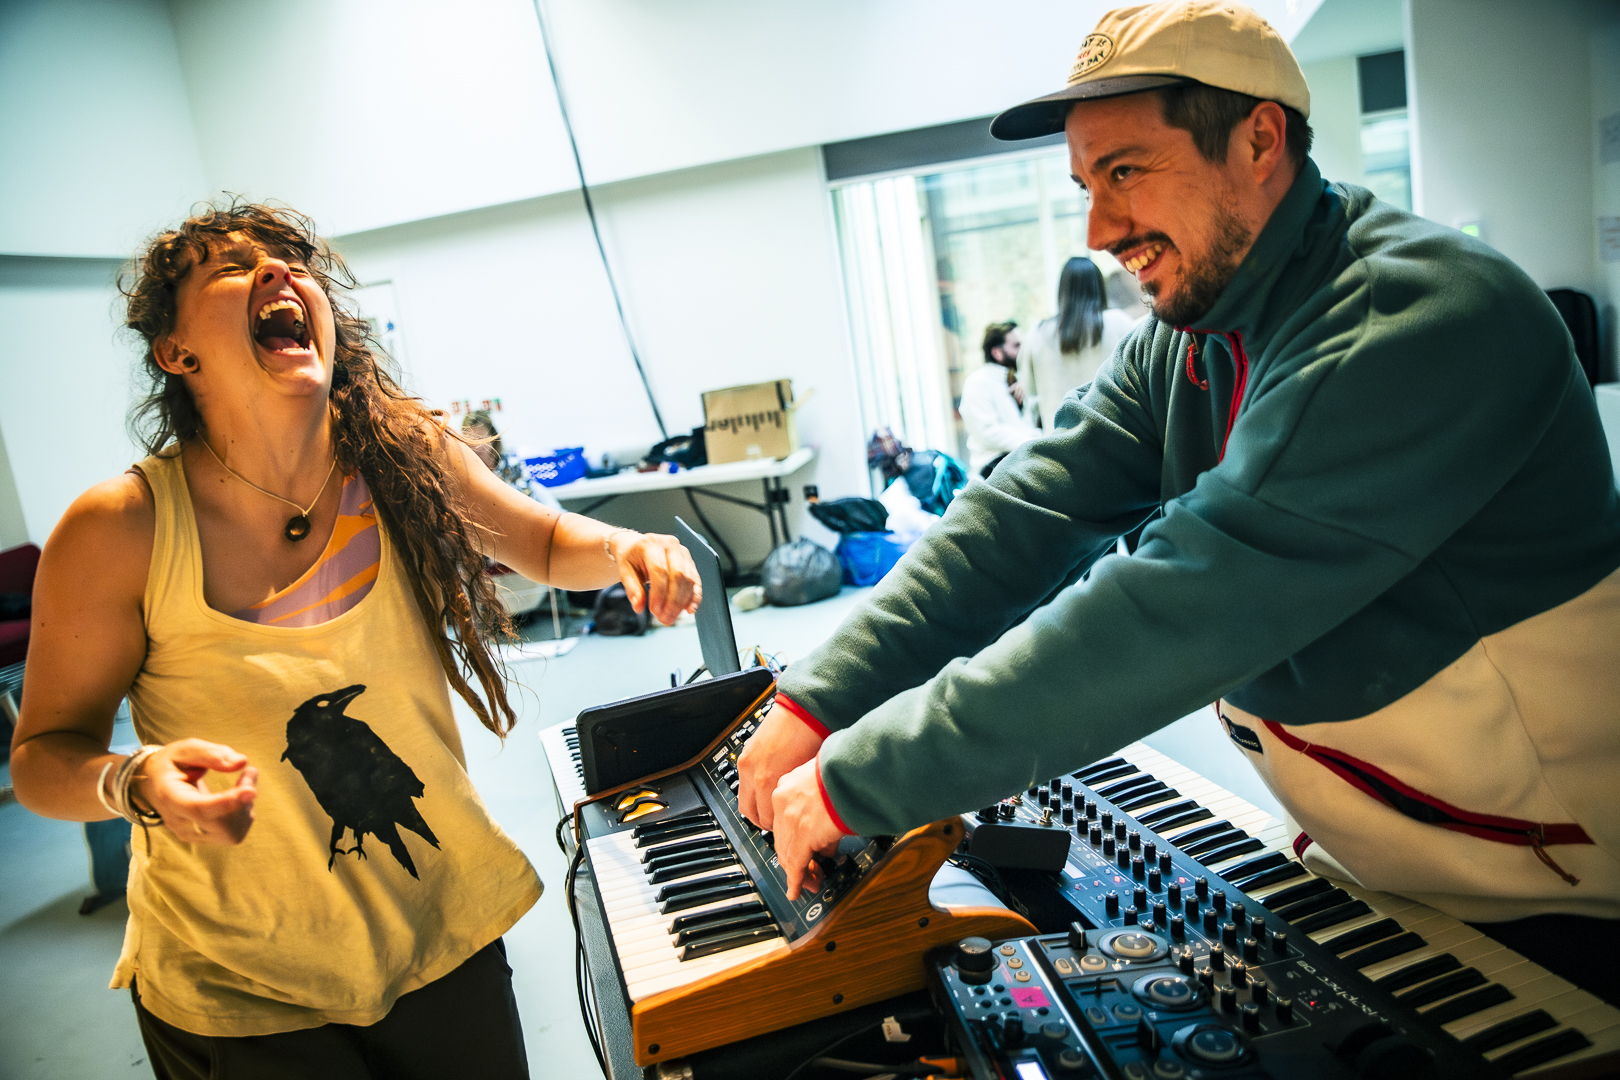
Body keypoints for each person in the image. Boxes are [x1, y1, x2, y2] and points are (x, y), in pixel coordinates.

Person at [739, 0, 1620, 1002]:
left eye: (1125, 172)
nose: (1099, 231)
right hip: (1389, 867)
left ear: (1259, 139)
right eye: (1086, 186)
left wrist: (858, 778)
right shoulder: (1193, 334)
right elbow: (1021, 514)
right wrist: (818, 697)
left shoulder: (1408, 319)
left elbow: (1166, 608)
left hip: (1556, 898)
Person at [8, 201, 703, 1077]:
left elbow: (545, 540)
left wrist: (625, 547)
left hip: (437, 929)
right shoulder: (121, 527)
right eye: (231, 267)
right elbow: (42, 756)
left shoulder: (400, 455)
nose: (278, 272)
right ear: (176, 352)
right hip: (241, 985)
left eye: (292, 261)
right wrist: (132, 780)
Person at [1018, 256, 1139, 428]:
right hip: (1113, 432)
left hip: (1059, 437)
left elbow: (1029, 391)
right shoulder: (1120, 323)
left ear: (1062, 291)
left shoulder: (1037, 333)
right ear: (1099, 286)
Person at [958, 320, 1039, 477]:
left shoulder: (1019, 380)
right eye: (1016, 346)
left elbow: (1030, 424)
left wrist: (1028, 394)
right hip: (993, 465)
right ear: (997, 353)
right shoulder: (977, 382)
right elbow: (988, 433)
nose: (1023, 351)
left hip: (1021, 457)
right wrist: (1034, 441)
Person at [460, 409, 526, 490]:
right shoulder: (463, 471)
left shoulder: (511, 464)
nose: (476, 446)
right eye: (470, 441)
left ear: (492, 438)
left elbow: (528, 494)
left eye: (480, 439)